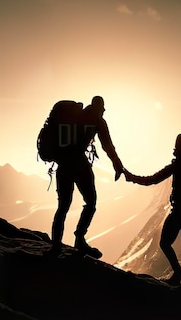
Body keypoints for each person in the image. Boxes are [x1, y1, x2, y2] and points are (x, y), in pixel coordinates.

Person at [47, 95, 124, 259]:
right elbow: (107, 145)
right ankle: (79, 239)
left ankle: (56, 245)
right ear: (99, 107)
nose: (104, 111)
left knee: (63, 205)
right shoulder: (98, 121)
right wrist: (117, 164)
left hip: (64, 164)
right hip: (79, 164)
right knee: (90, 202)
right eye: (102, 108)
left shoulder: (76, 116)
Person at [123, 133, 181, 286]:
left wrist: (131, 177)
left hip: (179, 210)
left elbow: (152, 179)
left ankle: (179, 271)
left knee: (165, 243)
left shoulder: (178, 164)